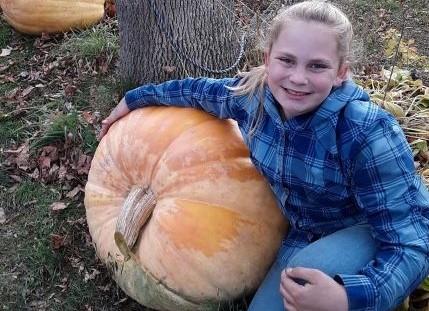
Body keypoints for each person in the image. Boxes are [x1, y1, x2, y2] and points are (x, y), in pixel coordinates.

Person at [99, 1, 429, 310]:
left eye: (317, 66)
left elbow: (413, 243)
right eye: (287, 60)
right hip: (302, 231)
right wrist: (134, 99)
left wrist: (348, 296)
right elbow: (197, 91)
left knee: (310, 272)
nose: (298, 78)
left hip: (367, 229)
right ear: (268, 59)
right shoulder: (253, 98)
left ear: (341, 72)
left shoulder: (367, 133)